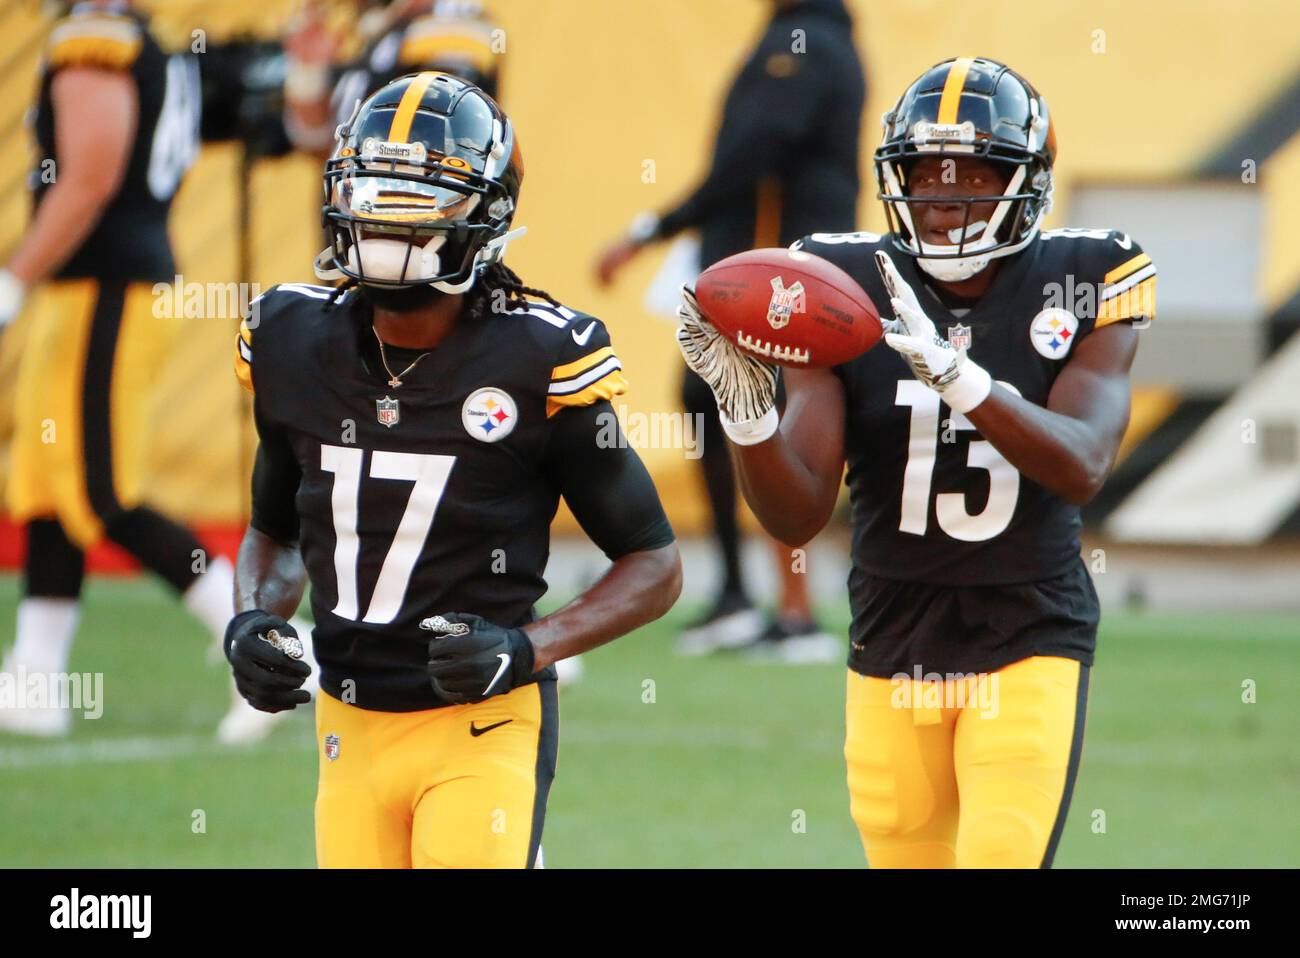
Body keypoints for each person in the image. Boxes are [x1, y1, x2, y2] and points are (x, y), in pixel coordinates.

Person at [677, 57, 1156, 867]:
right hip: (889, 634)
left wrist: (962, 379)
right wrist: (745, 410)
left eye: (973, 172)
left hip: (1027, 628)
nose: (943, 198)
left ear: (1028, 180)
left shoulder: (1088, 275)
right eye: (922, 175)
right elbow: (797, 515)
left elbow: (1082, 464)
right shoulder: (843, 278)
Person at [227, 72, 681, 867]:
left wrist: (528, 646)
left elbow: (655, 562)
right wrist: (252, 618)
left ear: (486, 214)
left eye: (421, 199)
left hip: (482, 724)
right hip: (348, 726)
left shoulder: (539, 355)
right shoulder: (291, 336)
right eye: (376, 190)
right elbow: (276, 530)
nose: (386, 220)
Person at [0, 0, 267, 739]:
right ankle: (37, 675)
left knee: (100, 488)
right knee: (44, 481)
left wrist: (14, 278)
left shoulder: (99, 42)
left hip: (105, 291)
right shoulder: (140, 40)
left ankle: (264, 643)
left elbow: (88, 178)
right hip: (95, 290)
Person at [596, 0, 863, 662]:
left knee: (774, 423)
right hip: (761, 269)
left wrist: (654, 228)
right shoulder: (809, 37)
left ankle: (795, 610)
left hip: (775, 279)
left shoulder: (805, 41)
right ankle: (738, 596)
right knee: (709, 405)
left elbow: (757, 150)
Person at [282, 0, 502, 157]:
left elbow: (431, 133)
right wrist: (309, 74)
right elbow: (330, 150)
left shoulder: (453, 14)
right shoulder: (379, 34)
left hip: (415, 208)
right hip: (360, 211)